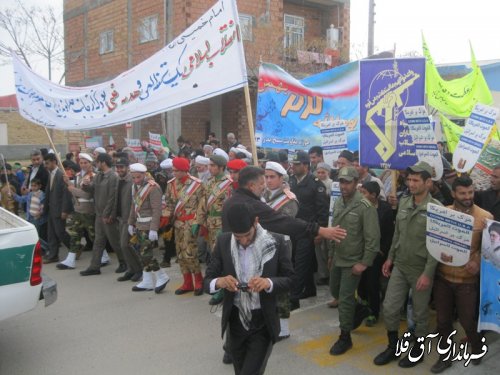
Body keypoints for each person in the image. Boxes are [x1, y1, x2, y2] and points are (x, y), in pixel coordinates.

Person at [204, 203, 294, 375]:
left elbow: (291, 280)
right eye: (238, 238)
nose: (243, 241)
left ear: (256, 222)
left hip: (262, 321)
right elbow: (207, 282)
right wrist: (220, 282)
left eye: (247, 235)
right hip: (236, 320)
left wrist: (268, 283)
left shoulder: (277, 242)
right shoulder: (224, 242)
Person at [374, 161, 442, 368]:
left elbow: (437, 245)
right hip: (401, 265)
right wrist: (390, 258)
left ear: (428, 182)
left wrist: (428, 274)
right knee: (390, 307)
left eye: (415, 180)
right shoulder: (404, 202)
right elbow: (398, 234)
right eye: (409, 179)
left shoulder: (436, 209)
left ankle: (418, 349)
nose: (410, 184)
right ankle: (393, 345)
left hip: (421, 269)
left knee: (420, 313)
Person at [430, 175, 492, 373]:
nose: (468, 197)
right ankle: (445, 357)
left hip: (467, 280)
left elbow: (491, 250)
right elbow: (434, 241)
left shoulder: (485, 217)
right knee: (443, 321)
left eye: (471, 192)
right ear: (453, 193)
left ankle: (476, 346)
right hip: (443, 277)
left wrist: (477, 262)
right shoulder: (443, 213)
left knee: (467, 320)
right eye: (463, 193)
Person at [222, 166, 347, 248]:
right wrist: (319, 230)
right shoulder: (250, 204)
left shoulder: (232, 200)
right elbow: (283, 221)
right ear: (251, 186)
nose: (264, 186)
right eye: (261, 183)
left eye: (271, 177)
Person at [327, 167, 380, 355]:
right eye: (341, 181)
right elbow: (334, 230)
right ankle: (361, 309)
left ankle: (345, 337)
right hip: (338, 258)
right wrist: (331, 255)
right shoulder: (339, 203)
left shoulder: (365, 207)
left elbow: (373, 240)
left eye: (347, 182)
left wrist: (364, 263)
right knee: (335, 292)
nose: (343, 185)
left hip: (353, 261)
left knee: (346, 299)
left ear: (356, 183)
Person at [289, 151, 329, 309]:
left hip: (308, 229)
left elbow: (323, 211)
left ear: (306, 165)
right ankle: (310, 289)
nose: (294, 167)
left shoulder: (316, 184)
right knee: (301, 261)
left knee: (300, 263)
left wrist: (320, 231)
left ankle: (294, 297)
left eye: (297, 164)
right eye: (293, 164)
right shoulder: (291, 181)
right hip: (294, 227)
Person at [264, 161, 298, 341]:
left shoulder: (289, 198)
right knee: (264, 282)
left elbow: (285, 223)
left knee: (281, 284)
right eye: (266, 177)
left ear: (281, 178)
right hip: (262, 244)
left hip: (281, 246)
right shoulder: (262, 195)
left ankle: (284, 326)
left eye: (272, 177)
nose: (268, 180)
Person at [164, 157, 205, 296]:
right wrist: (165, 218)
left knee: (190, 252)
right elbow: (168, 202)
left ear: (184, 170)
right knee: (180, 252)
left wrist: (199, 222)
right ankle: (187, 281)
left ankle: (198, 280)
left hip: (191, 223)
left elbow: (202, 205)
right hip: (177, 223)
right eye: (173, 170)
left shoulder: (197, 185)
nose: (173, 173)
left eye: (176, 171)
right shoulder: (171, 184)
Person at [79, 153, 124, 276]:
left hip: (108, 215)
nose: (95, 164)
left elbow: (112, 198)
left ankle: (124, 262)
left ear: (103, 162)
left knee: (115, 241)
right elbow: (91, 189)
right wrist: (85, 185)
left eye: (97, 162)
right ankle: (94, 266)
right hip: (99, 214)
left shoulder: (113, 177)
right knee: (98, 241)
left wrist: (109, 214)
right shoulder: (99, 176)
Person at [128, 163, 170, 293]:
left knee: (146, 254)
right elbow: (134, 206)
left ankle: (161, 276)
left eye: (138, 177)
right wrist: (131, 222)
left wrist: (153, 228)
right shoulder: (135, 186)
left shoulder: (153, 188)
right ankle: (147, 280)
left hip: (149, 224)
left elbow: (157, 210)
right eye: (133, 177)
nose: (136, 180)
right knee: (142, 253)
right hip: (139, 224)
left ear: (145, 174)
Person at [358, 181, 395, 326]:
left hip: (377, 253)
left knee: (372, 282)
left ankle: (374, 312)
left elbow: (389, 234)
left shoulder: (385, 209)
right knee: (361, 281)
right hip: (361, 251)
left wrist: (381, 250)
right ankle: (363, 306)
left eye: (364, 193)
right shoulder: (359, 206)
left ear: (373, 195)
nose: (361, 195)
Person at [58, 153, 96, 270]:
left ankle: (103, 256)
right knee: (74, 233)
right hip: (77, 209)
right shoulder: (79, 175)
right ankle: (71, 259)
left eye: (86, 163)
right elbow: (74, 189)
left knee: (93, 235)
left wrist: (73, 189)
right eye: (81, 163)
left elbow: (88, 194)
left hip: (88, 209)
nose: (83, 165)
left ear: (90, 164)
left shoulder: (93, 176)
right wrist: (68, 182)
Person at [42, 153, 74, 263]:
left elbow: (66, 194)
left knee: (60, 232)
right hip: (51, 209)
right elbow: (48, 192)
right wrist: (44, 207)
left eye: (47, 163)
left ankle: (75, 248)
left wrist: (65, 210)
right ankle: (53, 255)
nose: (45, 165)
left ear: (54, 162)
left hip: (59, 209)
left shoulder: (61, 175)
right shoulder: (50, 174)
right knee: (51, 233)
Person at [115, 156, 143, 282]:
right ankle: (131, 269)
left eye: (121, 167)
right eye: (117, 167)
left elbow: (136, 202)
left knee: (126, 245)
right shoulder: (118, 180)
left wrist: (133, 220)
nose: (119, 169)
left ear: (127, 168)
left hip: (130, 218)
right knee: (124, 246)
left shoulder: (132, 182)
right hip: (121, 217)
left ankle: (138, 269)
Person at [13, 178, 48, 252]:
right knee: (33, 235)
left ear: (39, 186)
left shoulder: (42, 195)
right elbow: (22, 199)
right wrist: (14, 195)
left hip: (37, 218)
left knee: (36, 236)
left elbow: (43, 206)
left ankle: (47, 247)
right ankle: (41, 249)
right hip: (30, 217)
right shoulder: (30, 194)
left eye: (35, 186)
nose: (33, 187)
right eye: (32, 186)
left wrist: (39, 213)